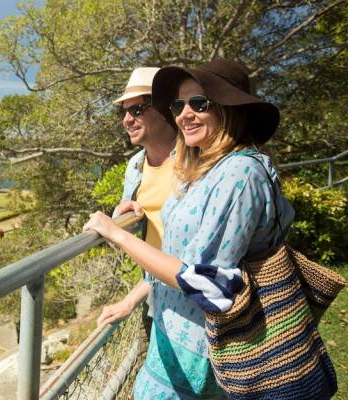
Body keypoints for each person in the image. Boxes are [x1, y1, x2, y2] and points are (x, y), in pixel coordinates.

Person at [83, 58, 295, 399]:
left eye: (199, 103)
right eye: (178, 105)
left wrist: (115, 232)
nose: (184, 114)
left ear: (230, 108)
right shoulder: (202, 170)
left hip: (204, 349)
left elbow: (207, 283)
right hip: (173, 332)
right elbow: (176, 251)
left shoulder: (239, 175)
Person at [96, 67, 177, 326]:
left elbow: (189, 256)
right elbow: (126, 238)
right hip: (155, 296)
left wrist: (131, 299)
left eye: (137, 110)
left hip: (191, 298)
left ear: (165, 110)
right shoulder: (135, 166)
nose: (127, 119)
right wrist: (122, 217)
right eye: (123, 111)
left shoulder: (194, 162)